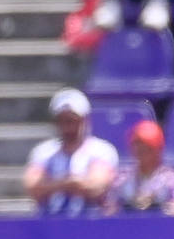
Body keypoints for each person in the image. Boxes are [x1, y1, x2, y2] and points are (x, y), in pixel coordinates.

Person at [23, 88, 119, 216]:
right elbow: (32, 187)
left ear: (84, 120)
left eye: (72, 121)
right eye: (62, 121)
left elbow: (96, 187)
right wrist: (68, 183)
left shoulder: (101, 150)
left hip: (92, 224)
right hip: (50, 224)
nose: (67, 127)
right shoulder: (44, 152)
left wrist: (51, 185)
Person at [106, 119, 174, 215]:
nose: (141, 151)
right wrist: (130, 204)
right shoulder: (124, 177)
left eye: (147, 148)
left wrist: (158, 205)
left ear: (158, 149)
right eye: (137, 146)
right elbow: (109, 209)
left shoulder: (169, 178)